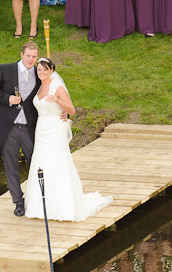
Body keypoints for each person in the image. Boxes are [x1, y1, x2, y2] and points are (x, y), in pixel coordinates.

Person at [23, 58, 112, 221]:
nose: (41, 72)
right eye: (39, 70)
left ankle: (63, 206)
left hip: (56, 128)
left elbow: (71, 109)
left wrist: (57, 100)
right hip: (41, 128)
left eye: (45, 69)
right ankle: (40, 206)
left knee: (57, 161)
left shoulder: (58, 87)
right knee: (41, 162)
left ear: (51, 71)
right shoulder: (38, 87)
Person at [0, 41, 42, 217]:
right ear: (21, 55)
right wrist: (7, 99)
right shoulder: (5, 69)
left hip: (29, 127)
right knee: (11, 165)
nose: (31, 60)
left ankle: (37, 199)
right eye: (28, 56)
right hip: (9, 126)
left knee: (35, 163)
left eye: (34, 56)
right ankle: (18, 201)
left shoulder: (41, 74)